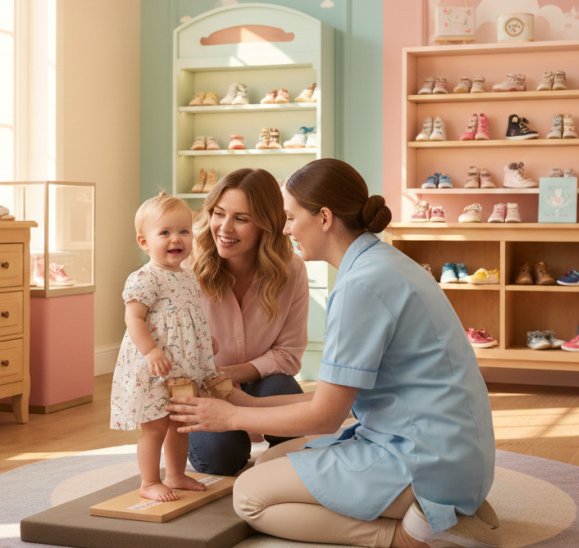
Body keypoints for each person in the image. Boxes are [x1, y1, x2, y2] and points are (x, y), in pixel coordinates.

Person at [166, 159, 500, 548]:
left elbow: (326, 416)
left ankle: (406, 537)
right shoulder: (383, 263)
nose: (287, 228)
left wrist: (233, 415)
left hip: (422, 462)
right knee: (269, 463)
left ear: (324, 217)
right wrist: (242, 401)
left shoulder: (362, 284)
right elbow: (335, 398)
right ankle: (450, 511)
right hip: (453, 455)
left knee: (249, 495)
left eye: (291, 217)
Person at [111, 191, 250, 502]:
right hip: (156, 370)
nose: (176, 239)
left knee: (180, 425)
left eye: (183, 231)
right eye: (165, 233)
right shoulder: (145, 278)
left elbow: (191, 316)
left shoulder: (187, 277)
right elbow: (133, 319)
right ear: (144, 242)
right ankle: (149, 482)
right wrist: (150, 351)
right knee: (156, 427)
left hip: (184, 369)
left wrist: (204, 341)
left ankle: (175, 474)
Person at [188, 168, 310, 476]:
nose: (224, 227)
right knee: (221, 458)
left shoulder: (291, 271)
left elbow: (288, 354)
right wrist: (213, 383)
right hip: (202, 387)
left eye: (241, 218)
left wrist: (229, 375)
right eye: (219, 213)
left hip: (259, 383)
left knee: (283, 390)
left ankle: (276, 455)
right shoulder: (185, 268)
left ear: (266, 225)